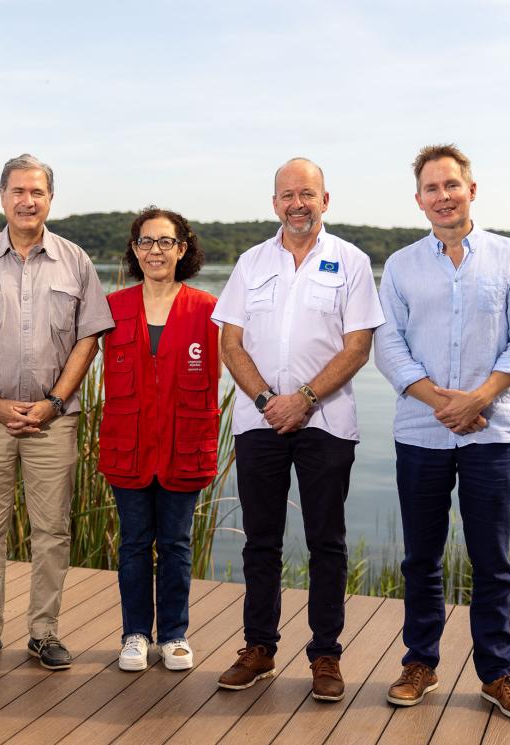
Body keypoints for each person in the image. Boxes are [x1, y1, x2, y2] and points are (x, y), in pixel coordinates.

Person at [374, 144, 510, 721]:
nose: (442, 196)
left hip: (492, 433)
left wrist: (478, 399)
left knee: (491, 560)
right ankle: (420, 663)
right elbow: (389, 345)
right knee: (421, 557)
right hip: (420, 432)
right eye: (431, 188)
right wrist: (442, 403)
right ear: (419, 200)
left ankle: (496, 674)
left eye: (451, 185)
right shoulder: (400, 266)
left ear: (471, 190)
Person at [0, 154, 114, 672]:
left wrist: (54, 403)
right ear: (2, 197)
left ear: (50, 199)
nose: (27, 201)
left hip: (54, 422)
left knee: (52, 531)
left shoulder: (76, 261)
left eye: (37, 192)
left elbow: (88, 339)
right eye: (18, 191)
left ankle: (44, 633)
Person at [211, 158, 384, 702]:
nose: (297, 204)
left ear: (324, 200)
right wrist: (269, 401)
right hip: (259, 420)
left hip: (326, 423)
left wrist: (304, 399)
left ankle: (325, 654)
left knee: (326, 542)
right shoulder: (251, 262)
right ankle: (259, 648)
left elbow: (358, 346)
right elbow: (230, 343)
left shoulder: (351, 261)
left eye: (307, 194)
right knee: (260, 541)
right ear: (275, 204)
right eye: (287, 195)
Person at [98, 207, 220, 672]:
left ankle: (173, 635)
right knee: (133, 543)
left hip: (184, 445)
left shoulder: (208, 310)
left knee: (176, 543)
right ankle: (134, 634)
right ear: (135, 249)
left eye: (165, 242)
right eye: (146, 241)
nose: (155, 250)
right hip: (127, 445)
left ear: (182, 249)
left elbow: (228, 368)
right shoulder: (112, 307)